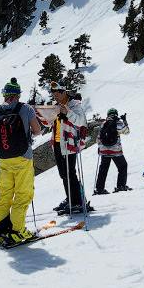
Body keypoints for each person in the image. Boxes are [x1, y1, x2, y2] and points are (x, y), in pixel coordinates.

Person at [0, 78, 42, 247]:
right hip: (23, 158)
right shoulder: (25, 109)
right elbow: (37, 131)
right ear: (18, 95)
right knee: (23, 195)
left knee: (5, 196)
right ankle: (17, 231)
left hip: (4, 160)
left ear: (5, 95)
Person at [49, 83, 91, 215]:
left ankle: (77, 201)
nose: (55, 96)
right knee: (64, 174)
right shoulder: (57, 106)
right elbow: (51, 123)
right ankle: (71, 199)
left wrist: (67, 112)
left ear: (64, 92)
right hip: (57, 143)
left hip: (69, 143)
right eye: (53, 94)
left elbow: (80, 121)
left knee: (70, 173)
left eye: (57, 93)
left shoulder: (74, 105)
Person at [94, 108, 131, 194]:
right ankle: (121, 186)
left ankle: (99, 189)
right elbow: (127, 131)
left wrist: (100, 148)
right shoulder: (118, 123)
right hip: (116, 151)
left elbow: (98, 139)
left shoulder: (103, 124)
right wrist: (125, 121)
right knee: (123, 166)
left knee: (103, 169)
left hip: (104, 151)